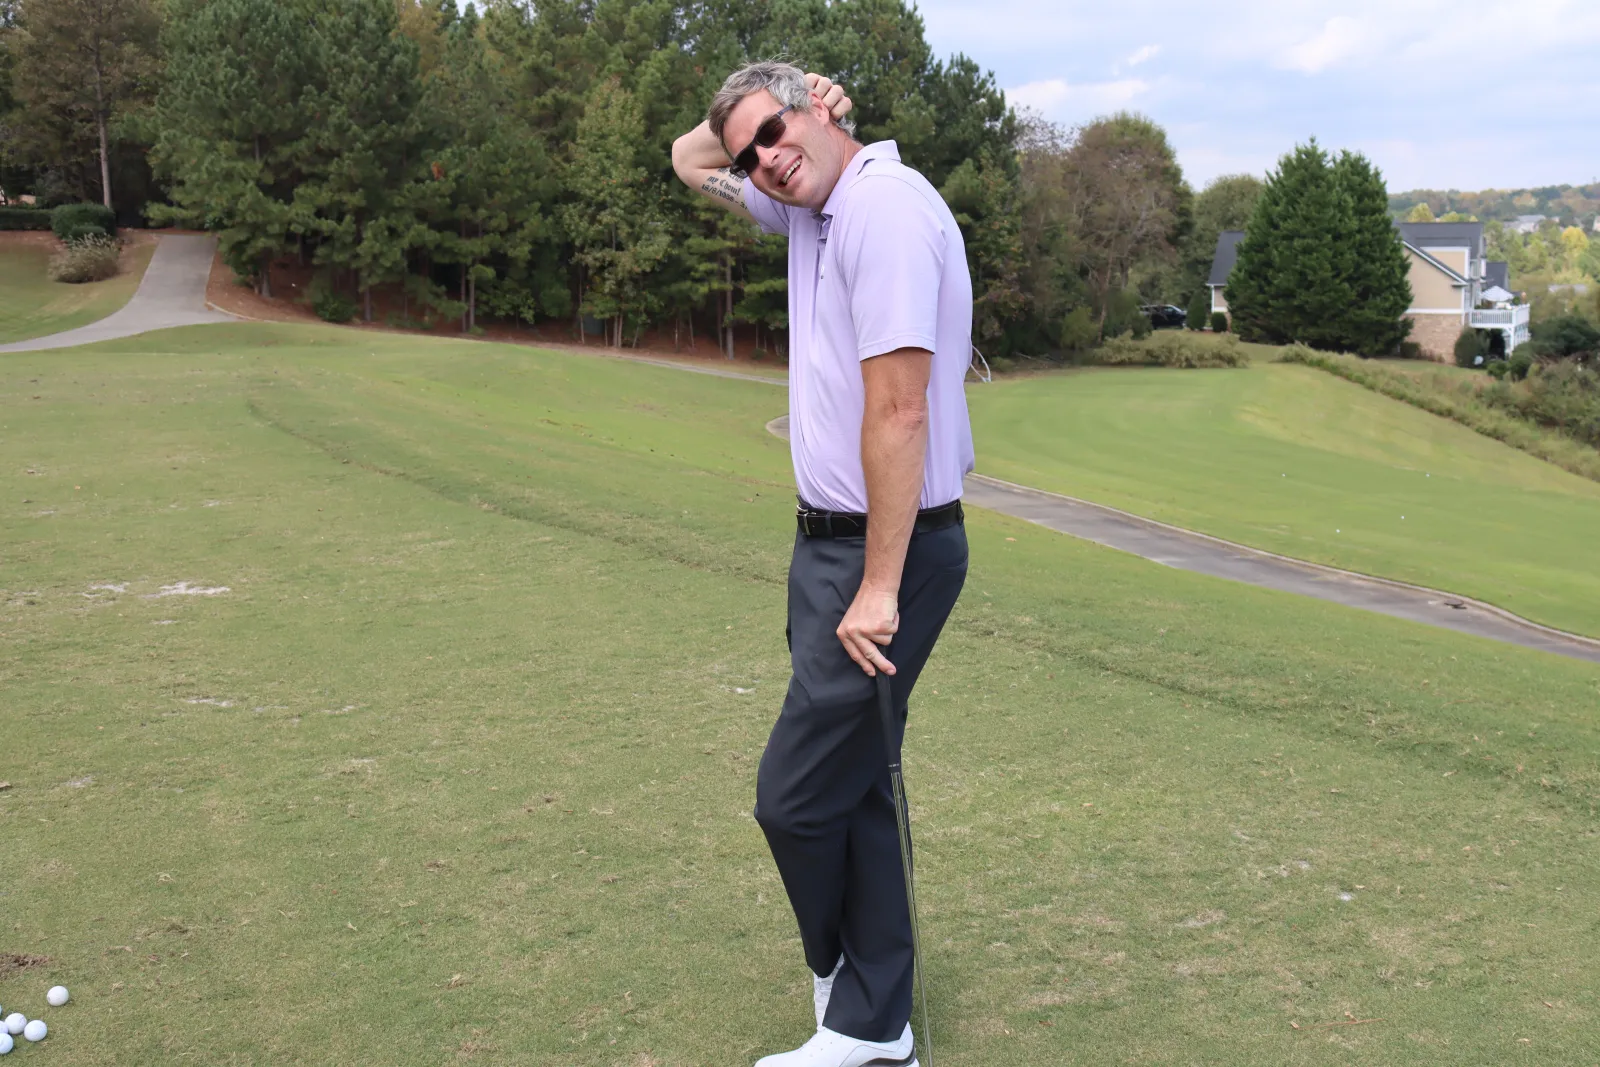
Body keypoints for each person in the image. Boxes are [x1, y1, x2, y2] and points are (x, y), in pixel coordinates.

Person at [672, 61, 974, 1067]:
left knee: (794, 795)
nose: (764, 159)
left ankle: (849, 982)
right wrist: (758, 138)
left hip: (884, 551)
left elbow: (900, 412)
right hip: (827, 547)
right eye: (749, 152)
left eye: (776, 131)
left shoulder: (880, 211)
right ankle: (874, 1023)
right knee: (856, 786)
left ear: (817, 105)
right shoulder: (805, 205)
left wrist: (878, 587)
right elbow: (685, 155)